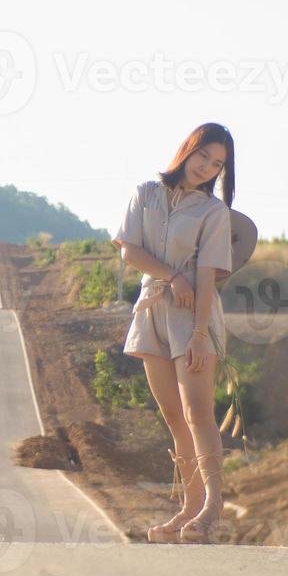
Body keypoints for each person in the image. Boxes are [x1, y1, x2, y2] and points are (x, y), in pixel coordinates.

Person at [110, 123, 235, 544]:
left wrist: (200, 335)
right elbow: (129, 249)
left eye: (217, 164)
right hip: (151, 311)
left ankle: (212, 509)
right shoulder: (145, 194)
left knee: (199, 414)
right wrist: (171, 277)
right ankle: (187, 508)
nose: (207, 167)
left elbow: (206, 275)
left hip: (193, 317)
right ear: (188, 149)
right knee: (174, 419)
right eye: (204, 156)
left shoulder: (213, 213)